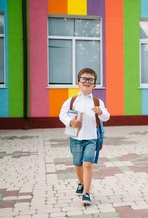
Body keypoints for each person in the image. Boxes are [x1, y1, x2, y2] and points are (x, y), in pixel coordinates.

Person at [59, 68, 110, 205]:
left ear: (94, 85)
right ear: (78, 83)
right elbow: (62, 115)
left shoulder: (97, 102)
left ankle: (86, 193)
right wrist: (71, 122)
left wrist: (100, 112)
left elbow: (106, 117)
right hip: (75, 138)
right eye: (84, 79)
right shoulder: (71, 101)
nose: (87, 82)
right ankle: (81, 183)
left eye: (91, 80)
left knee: (87, 164)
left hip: (91, 138)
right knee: (77, 163)